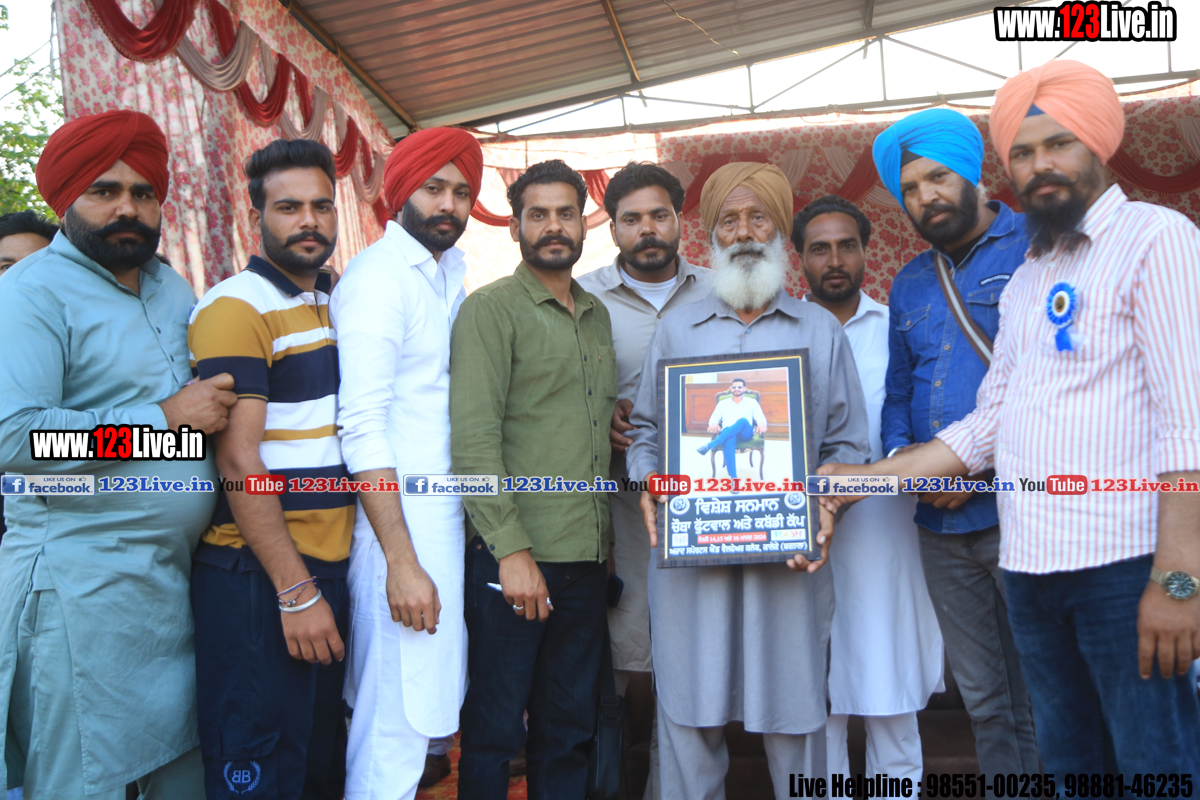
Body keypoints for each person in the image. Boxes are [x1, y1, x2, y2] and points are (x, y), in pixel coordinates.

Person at [826, 59, 1200, 773]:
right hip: (1030, 569)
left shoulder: (1157, 239)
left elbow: (1192, 425)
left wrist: (1180, 580)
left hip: (1122, 565)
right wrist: (860, 480)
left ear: (1097, 144)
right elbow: (984, 427)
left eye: (1058, 144)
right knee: (1069, 762)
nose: (1039, 165)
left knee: (1156, 761)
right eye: (1022, 153)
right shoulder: (1031, 277)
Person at [0, 109, 234, 798]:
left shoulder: (171, 287)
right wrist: (163, 421)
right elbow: (16, 438)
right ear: (66, 199)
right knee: (83, 781)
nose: (127, 207)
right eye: (104, 191)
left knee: (181, 774)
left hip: (171, 585)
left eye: (143, 192)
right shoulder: (30, 293)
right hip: (81, 589)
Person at [627, 162, 870, 799]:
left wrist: (829, 503)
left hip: (788, 565)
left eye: (758, 217)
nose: (743, 233)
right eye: (729, 220)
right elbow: (646, 431)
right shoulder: (676, 330)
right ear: (710, 234)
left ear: (780, 231)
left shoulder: (820, 330)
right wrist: (650, 479)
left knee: (796, 721)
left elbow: (849, 445)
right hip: (691, 566)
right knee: (687, 718)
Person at [871, 107, 1039, 773]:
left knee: (1050, 687)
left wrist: (968, 465)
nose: (926, 197)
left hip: (1021, 513)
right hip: (940, 530)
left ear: (972, 172)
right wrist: (909, 467)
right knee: (985, 700)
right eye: (911, 188)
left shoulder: (1036, 246)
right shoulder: (911, 280)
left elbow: (1050, 381)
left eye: (938, 178)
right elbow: (897, 395)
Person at [188, 138, 355, 798]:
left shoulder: (333, 301)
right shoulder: (238, 307)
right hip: (260, 577)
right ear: (255, 214)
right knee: (259, 772)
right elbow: (238, 459)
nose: (309, 221)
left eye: (321, 206)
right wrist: (296, 591)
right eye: (289, 207)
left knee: (316, 766)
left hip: (328, 568)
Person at [450, 159, 618, 799]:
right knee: (494, 732)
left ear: (583, 223)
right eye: (538, 214)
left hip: (585, 560)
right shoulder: (490, 310)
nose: (553, 226)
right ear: (515, 225)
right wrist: (511, 552)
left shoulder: (596, 315)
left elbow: (580, 415)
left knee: (566, 730)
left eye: (565, 213)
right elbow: (474, 441)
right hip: (515, 560)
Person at [331, 127, 483, 799]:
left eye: (462, 192)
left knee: (420, 716)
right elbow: (362, 426)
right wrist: (401, 562)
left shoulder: (449, 273)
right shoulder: (378, 278)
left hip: (442, 524)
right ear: (399, 192)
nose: (448, 204)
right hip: (400, 531)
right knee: (391, 725)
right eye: (433, 188)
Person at [792, 195, 944, 780]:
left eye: (847, 246)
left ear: (865, 252)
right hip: (803, 543)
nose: (835, 260)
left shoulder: (896, 330)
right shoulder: (782, 332)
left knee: (892, 696)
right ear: (800, 258)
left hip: (887, 537)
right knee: (814, 710)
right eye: (820, 249)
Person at [576, 160, 712, 799]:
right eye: (631, 219)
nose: (647, 229)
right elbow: (560, 392)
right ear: (613, 229)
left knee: (695, 653)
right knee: (621, 645)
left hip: (710, 502)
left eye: (659, 215)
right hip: (621, 505)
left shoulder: (719, 291)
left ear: (680, 220)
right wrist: (600, 415)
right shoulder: (582, 298)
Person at [698, 377, 768, 477]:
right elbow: (713, 419)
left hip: (745, 432)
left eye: (739, 387)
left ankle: (711, 444)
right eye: (734, 387)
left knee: (742, 421)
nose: (736, 389)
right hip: (728, 432)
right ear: (731, 389)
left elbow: (761, 418)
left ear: (744, 388)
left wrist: (762, 424)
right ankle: (734, 479)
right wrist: (713, 424)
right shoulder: (723, 403)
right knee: (729, 438)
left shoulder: (752, 402)